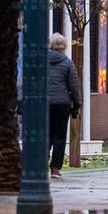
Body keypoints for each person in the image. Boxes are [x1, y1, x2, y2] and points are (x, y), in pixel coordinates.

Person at [47, 32, 81, 178]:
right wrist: (77, 105)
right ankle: (55, 169)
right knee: (59, 136)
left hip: (44, 103)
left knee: (45, 134)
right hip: (62, 104)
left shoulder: (41, 61)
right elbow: (73, 86)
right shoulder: (68, 63)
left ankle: (41, 164)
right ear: (64, 46)